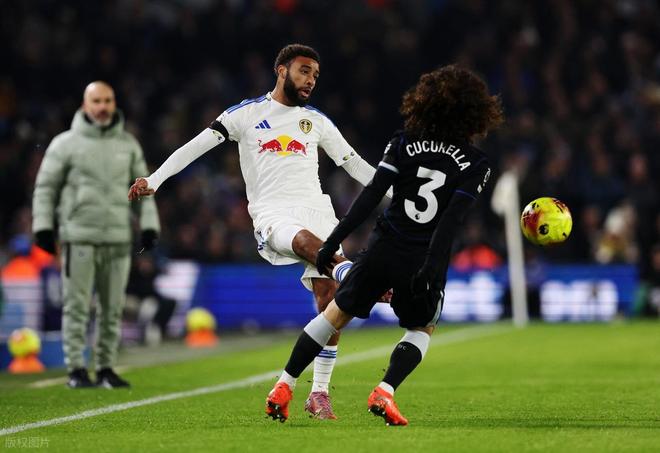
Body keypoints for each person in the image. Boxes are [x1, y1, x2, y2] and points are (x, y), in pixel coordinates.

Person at [128, 44, 389, 419]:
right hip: (272, 212)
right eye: (303, 71)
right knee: (304, 244)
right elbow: (194, 147)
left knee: (330, 301)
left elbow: (356, 166)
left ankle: (318, 393)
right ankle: (352, 273)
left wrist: (398, 194)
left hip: (317, 210)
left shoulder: (315, 121)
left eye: (315, 75)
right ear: (281, 70)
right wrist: (154, 179)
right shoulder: (245, 114)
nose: (310, 80)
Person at [265, 65, 504, 425]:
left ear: (425, 103)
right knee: (421, 328)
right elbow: (450, 221)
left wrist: (333, 241)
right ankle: (385, 390)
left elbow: (371, 196)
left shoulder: (403, 142)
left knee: (334, 315)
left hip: (382, 248)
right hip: (420, 256)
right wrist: (432, 267)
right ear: (475, 112)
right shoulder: (475, 162)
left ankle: (283, 385)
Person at [32, 81, 160, 389]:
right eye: (97, 101)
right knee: (76, 306)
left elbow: (145, 187)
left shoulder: (127, 144)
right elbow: (45, 188)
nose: (103, 107)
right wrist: (43, 227)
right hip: (79, 236)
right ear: (85, 105)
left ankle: (105, 368)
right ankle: (76, 369)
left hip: (117, 236)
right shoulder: (65, 144)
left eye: (107, 100)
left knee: (112, 308)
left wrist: (149, 225)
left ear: (114, 103)